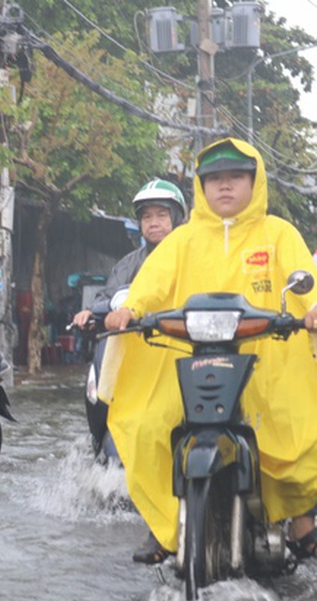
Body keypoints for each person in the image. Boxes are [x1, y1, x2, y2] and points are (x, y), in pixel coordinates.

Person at [102, 138, 317, 563]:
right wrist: (129, 309)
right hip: (188, 357)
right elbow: (153, 283)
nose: (224, 186)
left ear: (254, 182)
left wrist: (311, 308)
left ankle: (300, 518)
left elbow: (305, 278)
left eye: (235, 177)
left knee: (297, 432)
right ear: (201, 187)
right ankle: (165, 525)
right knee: (147, 425)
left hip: (266, 359)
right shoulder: (182, 240)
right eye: (214, 178)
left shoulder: (278, 234)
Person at [72, 179, 186, 329]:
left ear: (177, 218)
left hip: (182, 347)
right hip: (132, 347)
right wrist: (89, 312)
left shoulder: (191, 258)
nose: (153, 223)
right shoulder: (127, 264)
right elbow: (107, 298)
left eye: (162, 215)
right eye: (146, 217)